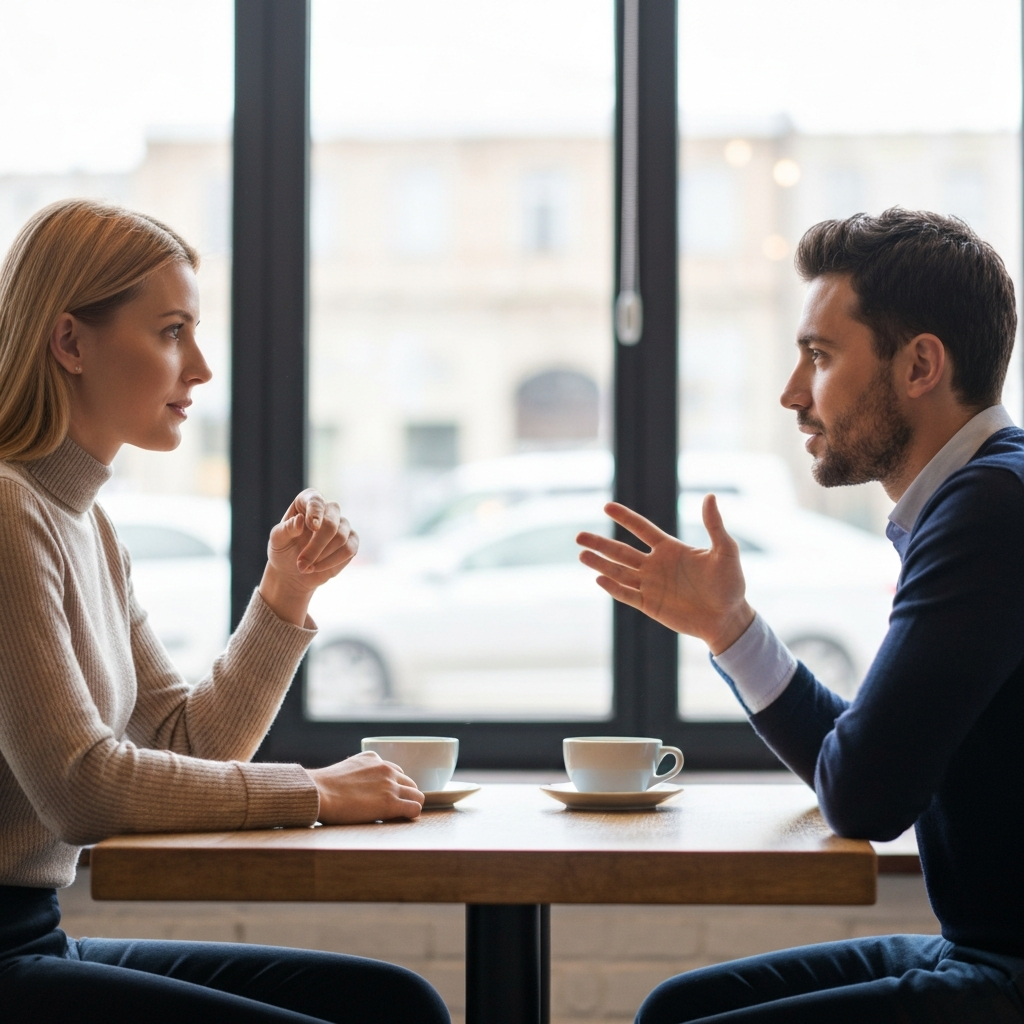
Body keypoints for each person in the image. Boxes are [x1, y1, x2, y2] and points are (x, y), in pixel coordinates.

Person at [0, 199, 450, 1023]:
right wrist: (312, 790)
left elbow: (185, 743)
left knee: (393, 1003)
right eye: (172, 331)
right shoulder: (7, 511)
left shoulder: (86, 524)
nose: (201, 368)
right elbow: (82, 788)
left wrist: (286, 595)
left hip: (34, 939)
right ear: (69, 342)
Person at [578, 209, 1024, 1023]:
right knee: (677, 1008)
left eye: (818, 357)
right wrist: (730, 628)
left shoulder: (992, 508)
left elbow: (865, 795)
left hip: (1007, 967)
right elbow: (865, 767)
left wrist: (739, 637)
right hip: (979, 946)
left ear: (921, 363)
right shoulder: (983, 495)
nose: (793, 394)